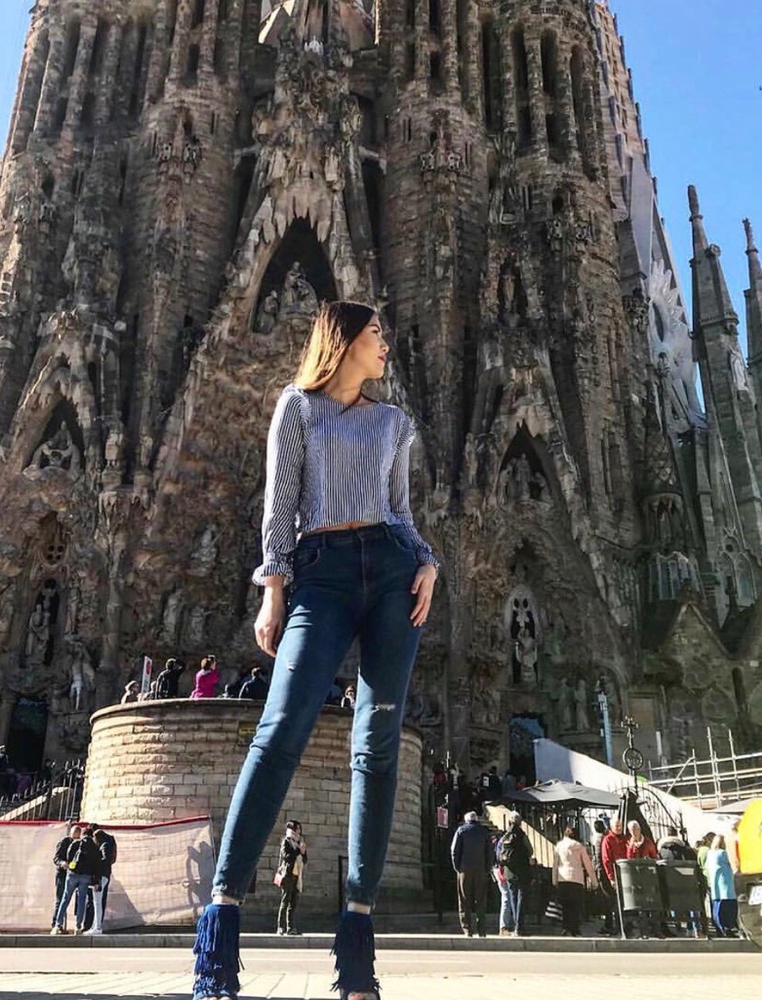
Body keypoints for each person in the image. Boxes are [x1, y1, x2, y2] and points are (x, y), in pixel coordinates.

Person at [190, 301, 439, 1000]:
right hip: (320, 572)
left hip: (394, 574)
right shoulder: (297, 408)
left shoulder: (395, 423)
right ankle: (220, 928)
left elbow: (403, 512)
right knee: (280, 729)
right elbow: (280, 507)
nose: (386, 344)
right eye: (377, 333)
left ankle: (357, 946)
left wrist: (429, 564)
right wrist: (273, 589)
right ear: (346, 340)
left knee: (378, 740)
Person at [52, 824, 101, 934]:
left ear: (82, 834)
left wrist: (69, 867)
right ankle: (78, 926)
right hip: (86, 876)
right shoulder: (94, 847)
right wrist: (95, 880)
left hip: (72, 875)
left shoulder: (75, 844)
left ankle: (57, 925)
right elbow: (96, 864)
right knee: (81, 901)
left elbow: (69, 856)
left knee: (65, 899)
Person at [450, 811, 492, 938]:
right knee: (480, 900)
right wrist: (487, 868)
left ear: (466, 820)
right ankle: (482, 929)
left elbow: (454, 851)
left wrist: (458, 868)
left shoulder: (461, 831)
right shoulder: (484, 832)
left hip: (465, 868)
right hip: (480, 869)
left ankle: (467, 929)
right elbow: (489, 852)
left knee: (464, 899)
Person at [552, 825, 596, 936]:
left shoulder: (559, 846)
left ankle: (565, 927)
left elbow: (555, 864)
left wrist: (554, 879)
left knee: (565, 905)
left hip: (563, 878)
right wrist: (594, 880)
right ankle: (575, 928)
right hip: (577, 879)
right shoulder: (579, 847)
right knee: (575, 905)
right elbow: (588, 865)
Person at [496, 812, 533, 937]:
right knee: (521, 898)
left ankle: (514, 924)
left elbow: (498, 854)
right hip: (522, 870)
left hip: (509, 871)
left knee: (512, 898)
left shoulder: (505, 836)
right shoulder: (522, 835)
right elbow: (530, 850)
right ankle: (519, 926)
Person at [274, 820, 308, 936]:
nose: (299, 831)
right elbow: (287, 856)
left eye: (299, 828)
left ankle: (290, 927)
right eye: (297, 828)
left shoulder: (300, 842)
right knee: (285, 901)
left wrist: (303, 853)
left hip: (297, 876)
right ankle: (281, 927)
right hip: (288, 875)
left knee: (293, 903)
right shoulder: (286, 842)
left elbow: (304, 860)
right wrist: (299, 851)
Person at [85, 826, 117, 935]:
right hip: (104, 876)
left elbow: (104, 861)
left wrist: (96, 864)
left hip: (101, 877)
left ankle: (97, 927)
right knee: (97, 902)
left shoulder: (104, 846)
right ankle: (95, 926)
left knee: (97, 903)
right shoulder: (108, 844)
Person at [50, 824, 82, 933]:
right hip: (63, 874)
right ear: (71, 834)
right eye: (74, 837)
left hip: (75, 874)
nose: (75, 839)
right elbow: (56, 858)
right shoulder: (64, 842)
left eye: (77, 837)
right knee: (61, 899)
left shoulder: (80, 844)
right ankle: (56, 924)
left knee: (76, 900)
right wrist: (62, 863)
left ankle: (75, 924)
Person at [706, 834, 739, 936]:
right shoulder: (723, 854)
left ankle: (720, 928)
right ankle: (728, 928)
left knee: (717, 908)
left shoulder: (710, 854)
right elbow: (735, 863)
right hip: (726, 884)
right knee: (729, 909)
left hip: (715, 885)